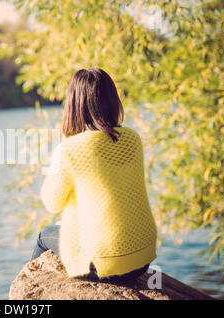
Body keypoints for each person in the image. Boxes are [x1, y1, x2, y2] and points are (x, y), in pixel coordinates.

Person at [32, 68, 157, 282]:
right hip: (141, 260)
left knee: (44, 236)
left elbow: (52, 203)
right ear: (112, 100)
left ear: (74, 104)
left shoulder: (71, 149)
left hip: (104, 265)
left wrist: (63, 147)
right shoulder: (132, 139)